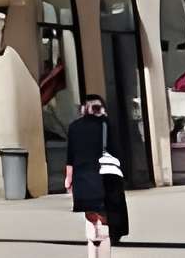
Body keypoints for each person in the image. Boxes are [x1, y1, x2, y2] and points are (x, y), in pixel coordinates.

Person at [69, 92, 117, 255]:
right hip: (100, 174)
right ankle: (100, 244)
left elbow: (70, 155)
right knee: (101, 213)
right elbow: (116, 151)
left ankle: (95, 243)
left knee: (91, 211)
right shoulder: (105, 125)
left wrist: (68, 178)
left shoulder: (76, 126)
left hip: (84, 175)